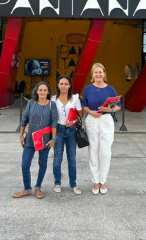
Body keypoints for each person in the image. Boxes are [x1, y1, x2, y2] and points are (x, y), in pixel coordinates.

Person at [13, 81, 58, 199]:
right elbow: (24, 119)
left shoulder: (52, 105)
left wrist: (53, 138)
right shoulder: (31, 103)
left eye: (45, 90)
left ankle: (38, 187)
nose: (42, 92)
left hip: (45, 138)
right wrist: (21, 135)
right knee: (25, 164)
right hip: (30, 137)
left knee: (42, 164)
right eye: (40, 90)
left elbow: (54, 123)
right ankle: (27, 188)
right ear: (36, 91)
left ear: (48, 92)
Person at [82, 63, 121, 195]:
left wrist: (109, 109)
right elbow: (84, 105)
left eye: (100, 72)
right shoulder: (88, 88)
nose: (98, 75)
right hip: (92, 119)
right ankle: (95, 181)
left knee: (105, 152)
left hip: (106, 120)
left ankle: (103, 180)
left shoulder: (111, 89)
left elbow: (118, 106)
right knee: (93, 151)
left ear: (104, 73)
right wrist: (91, 113)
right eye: (95, 72)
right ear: (92, 75)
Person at [52, 75, 83, 195]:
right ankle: (57, 183)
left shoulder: (75, 98)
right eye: (61, 84)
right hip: (58, 130)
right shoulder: (53, 99)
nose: (63, 86)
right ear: (58, 85)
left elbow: (80, 115)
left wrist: (74, 121)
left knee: (72, 158)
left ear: (69, 85)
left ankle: (73, 184)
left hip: (71, 131)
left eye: (66, 84)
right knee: (57, 158)